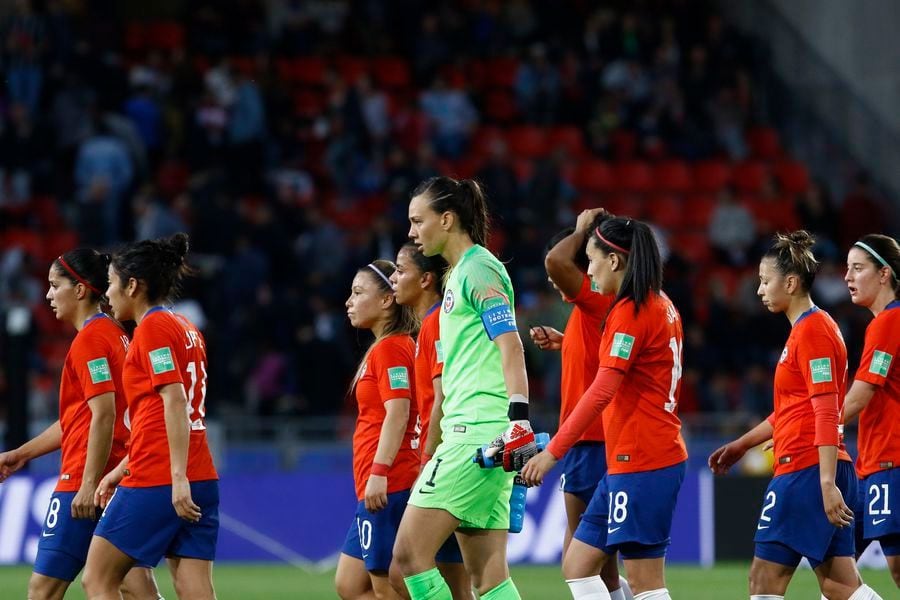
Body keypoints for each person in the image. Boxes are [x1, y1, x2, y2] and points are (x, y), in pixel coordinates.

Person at [708, 231, 882, 600]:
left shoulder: (814, 332)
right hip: (817, 466)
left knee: (763, 580)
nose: (759, 290)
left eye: (765, 280)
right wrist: (742, 444)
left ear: (790, 282)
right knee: (839, 586)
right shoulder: (805, 331)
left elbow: (824, 410)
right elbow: (789, 410)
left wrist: (825, 482)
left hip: (806, 469)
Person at [523, 213, 687, 600]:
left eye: (593, 259)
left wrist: (550, 454)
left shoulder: (630, 312)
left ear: (614, 261)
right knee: (577, 565)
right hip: (627, 459)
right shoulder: (659, 303)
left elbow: (601, 391)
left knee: (646, 582)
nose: (589, 271)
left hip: (645, 458)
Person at [393, 176, 536, 600]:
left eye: (418, 221)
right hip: (481, 435)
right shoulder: (460, 274)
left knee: (408, 556)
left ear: (448, 219)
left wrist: (520, 420)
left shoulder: (479, 269)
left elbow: (511, 346)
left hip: (476, 435)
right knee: (488, 578)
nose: (411, 232)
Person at [0, 249, 161, 600]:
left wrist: (87, 484)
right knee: (132, 585)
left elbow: (103, 413)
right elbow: (79, 418)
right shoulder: (117, 335)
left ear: (79, 290)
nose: (47, 295)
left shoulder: (90, 340)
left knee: (43, 590)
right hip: (118, 477)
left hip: (84, 480)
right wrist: (21, 454)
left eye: (55, 285)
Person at [81, 233, 220, 600]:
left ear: (132, 285)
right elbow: (161, 414)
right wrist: (119, 469)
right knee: (194, 589)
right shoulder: (187, 328)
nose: (107, 294)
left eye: (111, 284)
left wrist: (176, 478)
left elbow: (174, 402)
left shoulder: (153, 330)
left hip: (160, 476)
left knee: (97, 580)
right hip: (200, 473)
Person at [528, 210, 632, 600]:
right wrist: (563, 342)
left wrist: (580, 229)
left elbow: (554, 261)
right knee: (601, 566)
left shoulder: (593, 300)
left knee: (579, 562)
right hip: (593, 441)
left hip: (591, 440)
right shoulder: (587, 312)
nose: (554, 279)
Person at [390, 241, 472, 599]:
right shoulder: (428, 325)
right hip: (456, 450)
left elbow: (442, 397)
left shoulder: (438, 322)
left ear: (425, 279)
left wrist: (427, 460)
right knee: (462, 580)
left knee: (402, 567)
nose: (394, 278)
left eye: (400, 270)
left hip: (450, 455)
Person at [336, 259, 421, 600]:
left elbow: (398, 413)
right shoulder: (388, 347)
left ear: (387, 300)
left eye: (358, 292)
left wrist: (380, 471)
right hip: (381, 481)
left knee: (385, 586)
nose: (349, 301)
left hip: (391, 480)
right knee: (350, 584)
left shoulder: (391, 348)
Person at [841, 234, 900, 589]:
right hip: (870, 467)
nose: (847, 276)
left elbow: (860, 396)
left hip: (891, 463)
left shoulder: (888, 323)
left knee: (896, 566)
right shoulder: (884, 322)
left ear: (884, 274)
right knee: (836, 565)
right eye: (847, 268)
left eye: (858, 268)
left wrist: (812, 429)